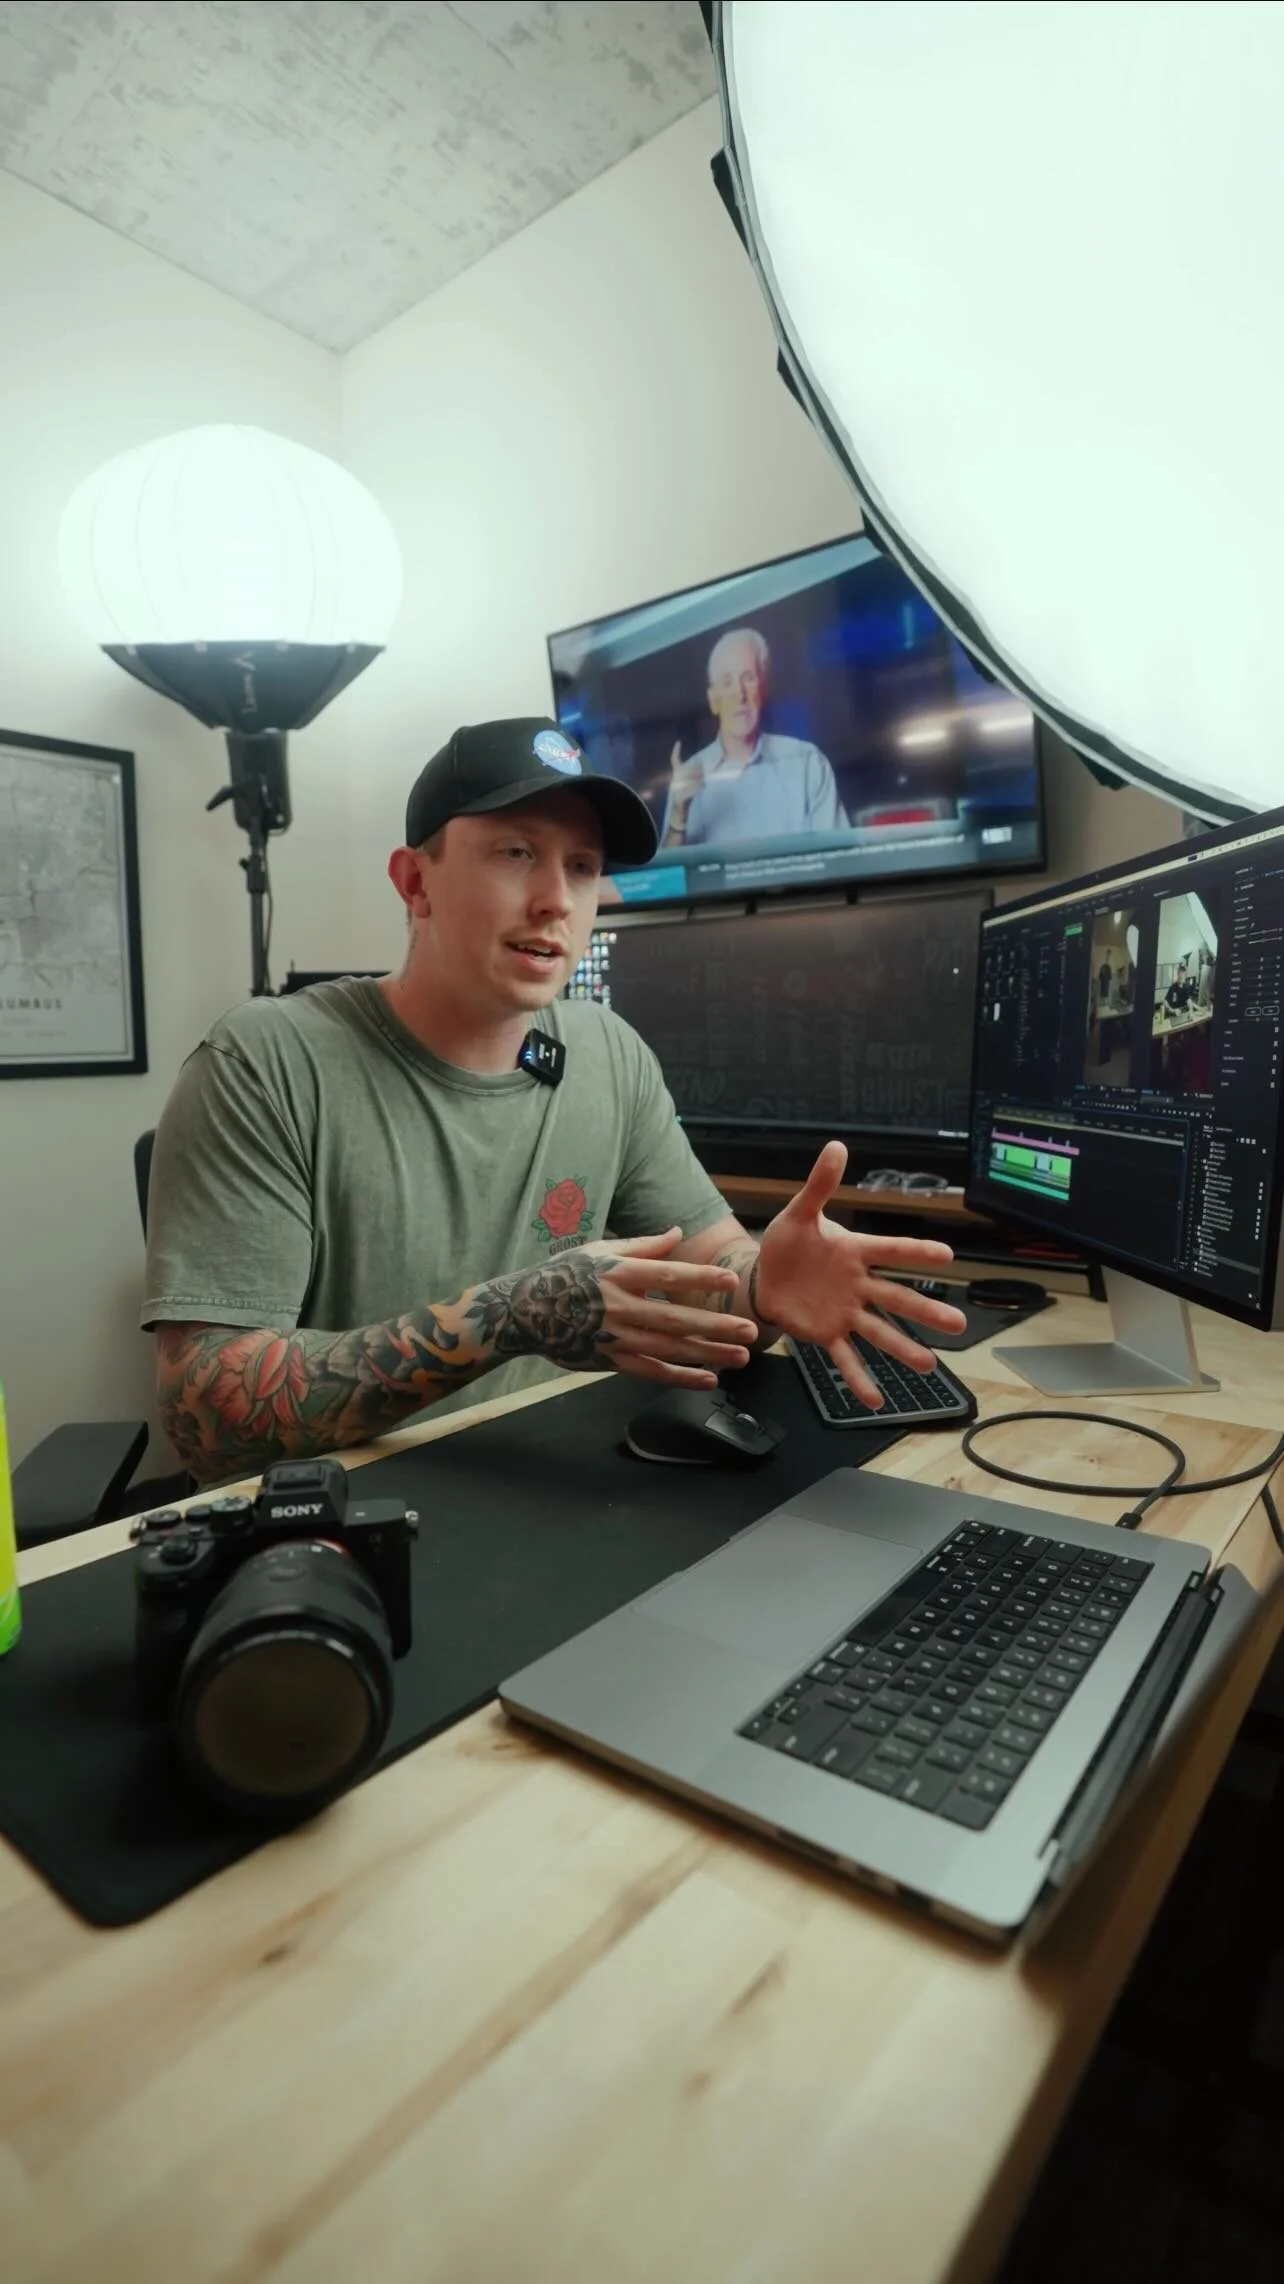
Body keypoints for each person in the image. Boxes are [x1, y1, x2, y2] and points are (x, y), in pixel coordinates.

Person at [144, 718, 963, 1486]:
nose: (557, 901)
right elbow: (206, 1416)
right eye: (516, 853)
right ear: (415, 883)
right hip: (339, 1516)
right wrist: (512, 1315)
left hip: (546, 1489)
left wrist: (761, 1283)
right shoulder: (264, 1063)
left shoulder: (606, 1053)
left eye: (582, 867)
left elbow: (711, 1264)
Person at [660, 628, 848, 847]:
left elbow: (840, 856)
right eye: (727, 682)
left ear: (764, 688)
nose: (740, 695)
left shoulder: (807, 763)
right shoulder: (689, 776)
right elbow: (670, 868)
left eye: (748, 678)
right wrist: (678, 817)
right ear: (713, 700)